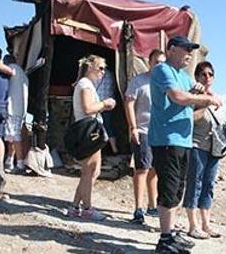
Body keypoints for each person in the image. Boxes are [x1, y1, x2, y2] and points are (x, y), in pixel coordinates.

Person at [149, 36, 222, 254]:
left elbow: (202, 93)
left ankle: (170, 233)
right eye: (185, 49)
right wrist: (206, 100)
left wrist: (205, 93)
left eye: (191, 50)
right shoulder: (163, 70)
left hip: (183, 140)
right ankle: (165, 238)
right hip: (166, 139)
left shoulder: (183, 75)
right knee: (169, 188)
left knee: (178, 189)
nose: (189, 54)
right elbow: (178, 97)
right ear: (171, 50)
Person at [66, 55, 117, 220]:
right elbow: (88, 108)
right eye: (100, 68)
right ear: (90, 68)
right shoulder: (85, 85)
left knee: (93, 170)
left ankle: (75, 206)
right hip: (89, 131)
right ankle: (87, 208)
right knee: (89, 171)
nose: (103, 72)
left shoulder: (86, 85)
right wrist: (105, 104)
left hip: (89, 130)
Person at [124, 49, 165, 225]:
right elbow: (129, 103)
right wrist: (133, 127)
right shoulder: (139, 81)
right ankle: (138, 208)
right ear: (150, 62)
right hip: (143, 129)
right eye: (157, 62)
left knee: (155, 169)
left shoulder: (167, 83)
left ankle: (152, 204)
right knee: (142, 168)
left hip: (161, 132)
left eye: (163, 62)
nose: (159, 65)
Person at [183, 61, 223, 239]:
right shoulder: (194, 95)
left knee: (209, 184)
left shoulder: (216, 96)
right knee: (195, 183)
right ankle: (193, 225)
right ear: (197, 76)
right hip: (197, 144)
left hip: (214, 147)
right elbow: (189, 117)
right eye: (203, 74)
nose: (207, 78)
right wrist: (206, 102)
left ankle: (206, 223)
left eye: (210, 74)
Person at [0, 54, 28, 173]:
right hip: (20, 109)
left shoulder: (11, 70)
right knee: (11, 136)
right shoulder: (23, 74)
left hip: (12, 107)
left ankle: (20, 164)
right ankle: (9, 161)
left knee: (14, 137)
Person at [96, 64, 119, 154]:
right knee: (108, 126)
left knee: (95, 127)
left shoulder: (96, 75)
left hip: (97, 103)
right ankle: (114, 149)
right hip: (109, 103)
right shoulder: (111, 75)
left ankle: (98, 149)